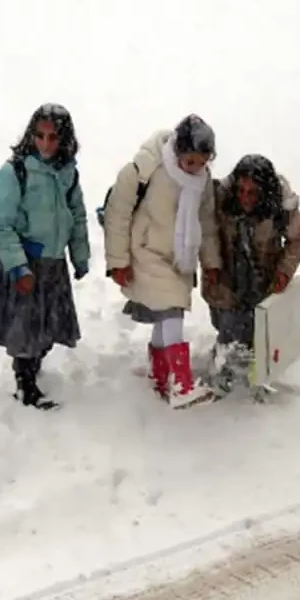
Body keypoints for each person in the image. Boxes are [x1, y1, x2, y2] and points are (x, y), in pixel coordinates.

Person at [102, 113, 220, 407]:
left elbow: (206, 223)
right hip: (145, 251)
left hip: (180, 255)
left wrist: (212, 262)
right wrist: (118, 261)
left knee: (164, 310)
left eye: (201, 162)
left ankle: (160, 374)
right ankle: (181, 385)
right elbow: (118, 213)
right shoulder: (147, 168)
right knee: (171, 308)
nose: (194, 168)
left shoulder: (203, 183)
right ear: (178, 152)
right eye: (189, 161)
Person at [0, 104, 90, 410]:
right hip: (25, 263)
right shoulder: (14, 172)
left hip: (53, 263)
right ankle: (24, 383)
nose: (45, 144)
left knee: (45, 326)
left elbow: (77, 215)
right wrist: (18, 266)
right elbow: (0, 224)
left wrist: (79, 255)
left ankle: (33, 366)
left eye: (53, 137)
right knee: (25, 327)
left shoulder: (68, 173)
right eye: (40, 136)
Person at [201, 154, 300, 392]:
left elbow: (299, 237)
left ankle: (252, 376)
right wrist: (211, 264)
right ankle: (223, 372)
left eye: (252, 193)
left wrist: (284, 272)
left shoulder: (281, 206)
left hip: (263, 278)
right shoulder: (220, 197)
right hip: (226, 278)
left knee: (258, 331)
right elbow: (207, 232)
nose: (245, 198)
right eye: (241, 191)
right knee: (227, 326)